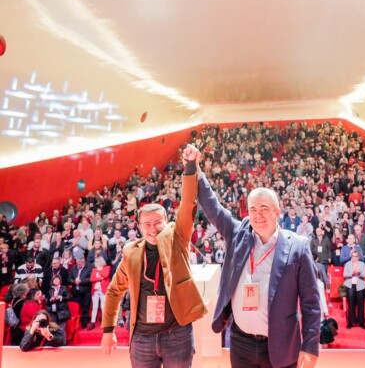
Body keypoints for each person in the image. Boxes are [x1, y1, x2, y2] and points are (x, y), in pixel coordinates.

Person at [194, 144, 321, 368]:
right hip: (241, 343)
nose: (258, 215)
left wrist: (310, 346)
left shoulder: (298, 247)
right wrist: (195, 168)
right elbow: (212, 207)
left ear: (277, 212)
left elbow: (311, 303)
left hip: (280, 344)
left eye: (264, 208)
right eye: (253, 209)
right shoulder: (237, 235)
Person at [100, 146, 207, 368]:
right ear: (139, 226)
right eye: (147, 224)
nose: (153, 228)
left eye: (157, 222)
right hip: (142, 339)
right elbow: (113, 291)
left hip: (176, 335)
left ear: (166, 221)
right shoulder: (131, 252)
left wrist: (189, 166)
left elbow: (188, 204)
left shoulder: (177, 238)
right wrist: (108, 330)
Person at [343, 250, 365, 329]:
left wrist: (359, 273)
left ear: (358, 257)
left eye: (355, 256)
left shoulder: (362, 264)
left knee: (361, 304)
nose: (354, 258)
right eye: (352, 256)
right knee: (351, 304)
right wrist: (352, 273)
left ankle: (361, 322)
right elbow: (345, 274)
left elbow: (364, 275)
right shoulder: (347, 264)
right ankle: (351, 321)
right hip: (350, 284)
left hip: (360, 284)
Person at [88, 256, 111, 330]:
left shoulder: (107, 268)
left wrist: (99, 271)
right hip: (95, 290)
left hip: (103, 289)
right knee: (94, 307)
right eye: (96, 262)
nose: (96, 263)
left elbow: (106, 275)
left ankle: (104, 323)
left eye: (97, 262)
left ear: (101, 262)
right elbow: (91, 279)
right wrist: (100, 278)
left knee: (103, 307)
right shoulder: (94, 269)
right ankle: (92, 322)